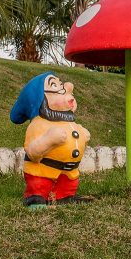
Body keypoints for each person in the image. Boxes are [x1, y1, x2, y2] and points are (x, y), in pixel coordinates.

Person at [10, 72, 92, 207]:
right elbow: (33, 152)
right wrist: (48, 140)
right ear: (41, 99)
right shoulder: (38, 124)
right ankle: (35, 197)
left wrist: (82, 134)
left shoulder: (69, 122)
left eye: (61, 86)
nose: (65, 90)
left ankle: (64, 197)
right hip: (43, 170)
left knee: (68, 185)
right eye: (55, 86)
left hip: (70, 171)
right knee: (40, 185)